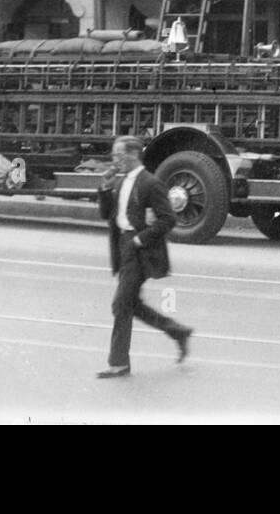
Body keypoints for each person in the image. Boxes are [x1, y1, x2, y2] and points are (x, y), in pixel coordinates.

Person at [95, 136, 193, 378]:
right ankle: (177, 331)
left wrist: (140, 239)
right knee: (131, 304)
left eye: (118, 155)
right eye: (113, 155)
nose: (114, 160)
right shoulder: (121, 182)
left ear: (133, 155)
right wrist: (106, 187)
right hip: (123, 247)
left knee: (120, 304)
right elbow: (106, 214)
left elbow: (168, 219)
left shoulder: (150, 183)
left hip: (140, 250)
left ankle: (118, 363)